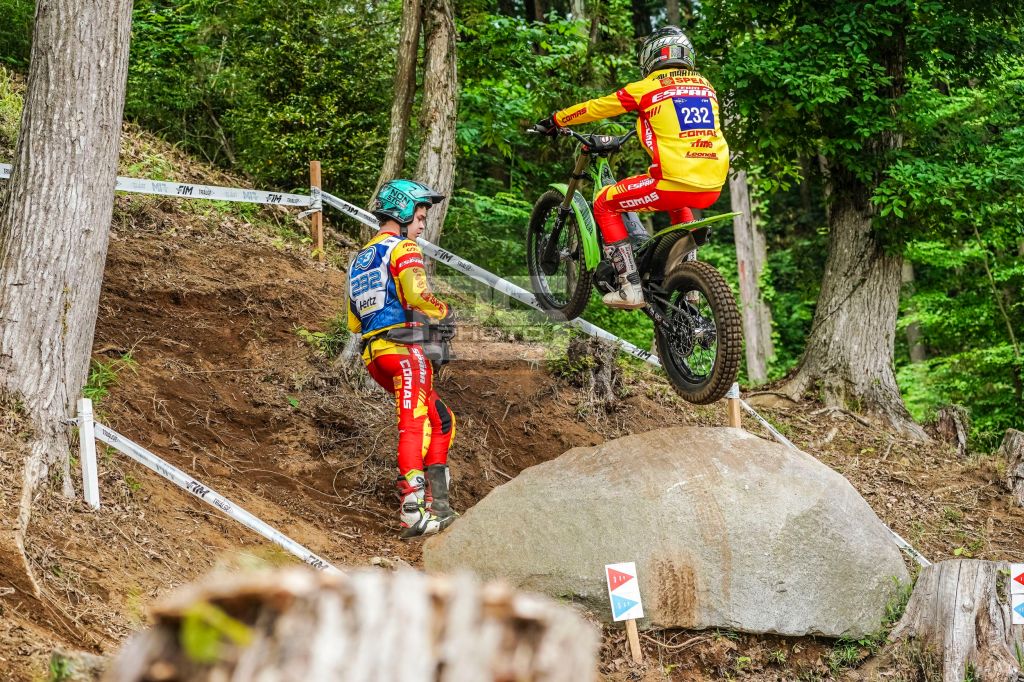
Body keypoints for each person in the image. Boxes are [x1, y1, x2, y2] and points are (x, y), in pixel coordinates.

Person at [534, 26, 730, 310]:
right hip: (712, 185)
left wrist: (556, 120)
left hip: (670, 183)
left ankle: (630, 287)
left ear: (651, 57)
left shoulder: (646, 87)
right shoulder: (705, 86)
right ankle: (689, 287)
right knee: (679, 204)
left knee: (604, 202)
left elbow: (597, 107)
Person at [347, 179, 458, 539]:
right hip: (404, 351)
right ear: (403, 212)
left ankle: (437, 503)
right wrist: (444, 312)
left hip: (375, 355)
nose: (422, 225)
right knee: (413, 425)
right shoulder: (404, 247)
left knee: (441, 420)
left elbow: (353, 322)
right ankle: (413, 511)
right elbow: (417, 294)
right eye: (420, 217)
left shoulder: (360, 258)